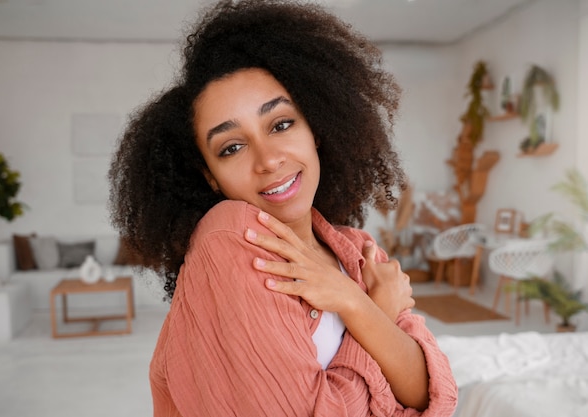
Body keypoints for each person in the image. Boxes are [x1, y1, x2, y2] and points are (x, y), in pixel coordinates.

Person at [108, 0, 458, 415]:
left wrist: (353, 300)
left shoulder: (357, 250)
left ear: (317, 128)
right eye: (232, 147)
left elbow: (433, 395)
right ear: (210, 176)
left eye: (280, 124)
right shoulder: (230, 237)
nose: (268, 159)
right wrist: (378, 309)